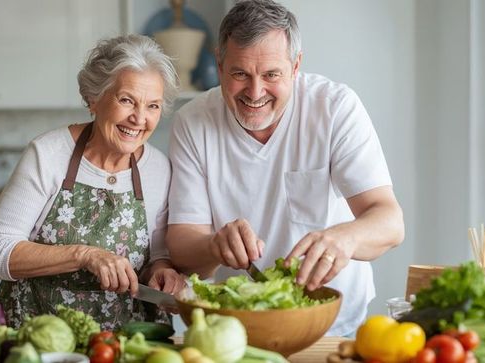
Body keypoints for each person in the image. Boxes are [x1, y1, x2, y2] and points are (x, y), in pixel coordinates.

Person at [166, 0, 405, 336]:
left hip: (335, 324)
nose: (255, 91)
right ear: (219, 66)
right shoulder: (193, 122)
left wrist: (345, 238)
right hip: (237, 327)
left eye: (271, 75)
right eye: (239, 74)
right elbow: (182, 246)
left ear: (295, 67)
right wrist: (213, 245)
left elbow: (390, 222)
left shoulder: (335, 108)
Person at [0, 34, 185, 330]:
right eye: (127, 100)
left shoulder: (158, 169)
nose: (139, 119)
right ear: (94, 99)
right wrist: (84, 255)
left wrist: (163, 271)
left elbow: (159, 256)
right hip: (40, 338)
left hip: (129, 344)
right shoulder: (49, 154)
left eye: (152, 106)